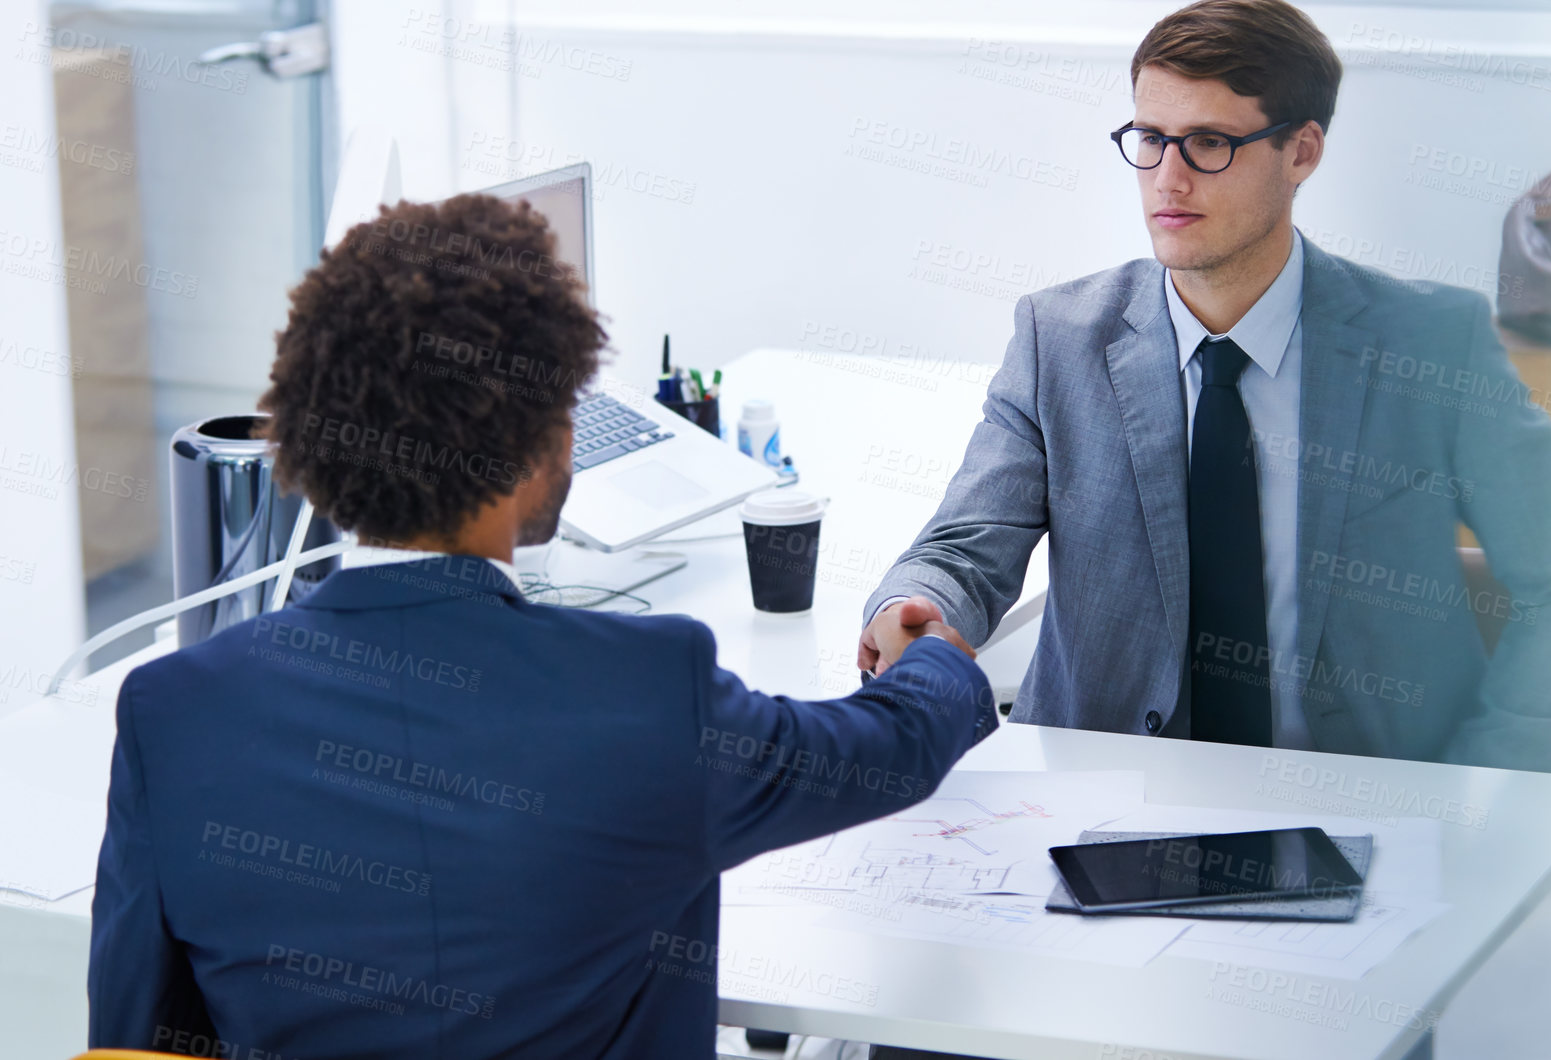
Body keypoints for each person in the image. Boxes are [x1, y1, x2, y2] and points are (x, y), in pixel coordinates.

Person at [88, 194, 994, 1059]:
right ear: (541, 448)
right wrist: (935, 661)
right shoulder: (645, 690)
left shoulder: (171, 709)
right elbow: (885, 749)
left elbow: (133, 1037)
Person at [858, 0, 1551, 774]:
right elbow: (963, 549)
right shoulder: (1056, 340)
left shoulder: (1431, 346)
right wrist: (911, 608)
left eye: (1208, 144)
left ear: (1300, 152)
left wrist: (1484, 782)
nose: (1168, 179)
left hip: (1365, 812)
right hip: (1100, 801)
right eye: (1151, 140)